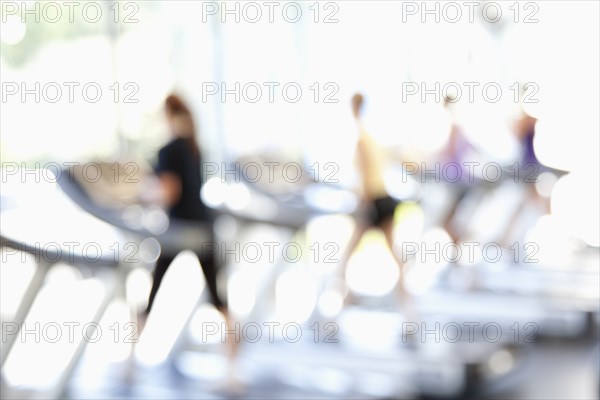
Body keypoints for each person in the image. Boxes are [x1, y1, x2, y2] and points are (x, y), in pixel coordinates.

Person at [143, 94, 239, 372]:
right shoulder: (193, 147)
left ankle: (129, 364)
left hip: (180, 230)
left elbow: (170, 192)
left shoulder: (169, 150)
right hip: (204, 228)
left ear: (168, 116)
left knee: (153, 293)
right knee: (219, 299)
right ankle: (233, 370)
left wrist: (145, 194)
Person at [337, 93, 409, 309]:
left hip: (373, 202)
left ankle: (340, 303)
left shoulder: (361, 139)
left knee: (347, 256)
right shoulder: (371, 136)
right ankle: (407, 307)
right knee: (394, 255)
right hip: (383, 198)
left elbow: (366, 176)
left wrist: (362, 202)